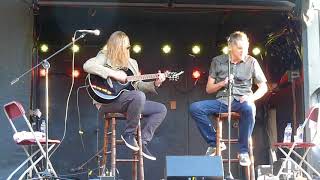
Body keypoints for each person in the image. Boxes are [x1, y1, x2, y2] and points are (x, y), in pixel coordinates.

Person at [83, 31, 167, 161]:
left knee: (160, 109)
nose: (128, 49)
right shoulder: (104, 56)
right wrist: (114, 74)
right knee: (138, 96)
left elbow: (138, 85)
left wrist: (156, 82)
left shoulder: (132, 63)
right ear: (116, 47)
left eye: (129, 47)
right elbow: (88, 65)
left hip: (128, 101)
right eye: (125, 47)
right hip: (107, 102)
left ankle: (142, 142)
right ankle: (129, 134)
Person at [189, 31, 268, 166]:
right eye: (240, 48)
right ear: (230, 46)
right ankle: (215, 142)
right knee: (195, 108)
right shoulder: (217, 61)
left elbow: (264, 87)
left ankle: (243, 151)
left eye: (246, 48)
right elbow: (209, 89)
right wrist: (222, 83)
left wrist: (251, 98)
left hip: (242, 101)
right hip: (222, 101)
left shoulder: (252, 62)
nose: (244, 51)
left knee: (249, 109)